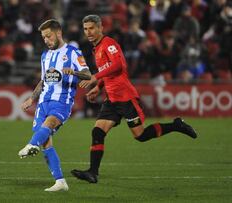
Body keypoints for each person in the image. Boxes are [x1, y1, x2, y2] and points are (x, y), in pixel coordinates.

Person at [71, 15, 198, 184]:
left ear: (100, 28)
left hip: (125, 97)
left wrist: (95, 77)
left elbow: (118, 65)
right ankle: (93, 172)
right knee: (97, 132)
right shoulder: (97, 48)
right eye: (85, 29)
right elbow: (108, 72)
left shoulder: (109, 44)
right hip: (111, 99)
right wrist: (98, 87)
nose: (88, 32)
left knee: (141, 135)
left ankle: (176, 125)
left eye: (92, 28)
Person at [18, 19, 91, 191]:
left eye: (49, 36)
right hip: (43, 102)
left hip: (62, 101)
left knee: (48, 125)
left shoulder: (73, 52)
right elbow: (43, 80)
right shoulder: (46, 55)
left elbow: (88, 74)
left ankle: (31, 144)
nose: (46, 40)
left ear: (58, 33)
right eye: (44, 37)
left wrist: (73, 72)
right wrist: (32, 98)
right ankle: (60, 182)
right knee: (46, 141)